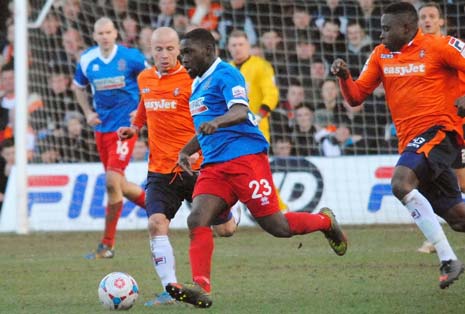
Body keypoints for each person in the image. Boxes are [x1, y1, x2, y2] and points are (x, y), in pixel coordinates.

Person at [165, 28, 347, 308]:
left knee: (278, 227)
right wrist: (187, 150)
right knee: (197, 219)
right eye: (181, 53)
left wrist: (218, 123)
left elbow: (240, 110)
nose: (182, 58)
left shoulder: (226, 74)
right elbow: (204, 126)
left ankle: (325, 222)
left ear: (209, 51)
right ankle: (201, 287)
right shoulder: (197, 84)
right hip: (214, 166)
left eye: (188, 52)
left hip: (246, 160)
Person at [331, 2, 465, 289]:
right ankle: (448, 256)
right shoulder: (381, 55)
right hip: (411, 142)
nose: (380, 35)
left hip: (441, 132)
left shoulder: (440, 46)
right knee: (457, 218)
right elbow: (356, 97)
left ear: (406, 28)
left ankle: (448, 258)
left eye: (386, 28)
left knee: (400, 183)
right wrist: (345, 78)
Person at [117, 27, 240, 306]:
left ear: (180, 50)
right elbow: (145, 104)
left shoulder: (193, 79)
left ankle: (234, 210)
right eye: (158, 49)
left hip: (197, 168)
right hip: (160, 170)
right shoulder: (145, 78)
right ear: (150, 49)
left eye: (171, 49)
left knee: (226, 230)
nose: (164, 54)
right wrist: (135, 128)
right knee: (156, 224)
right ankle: (170, 289)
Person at [73, 17, 147, 259]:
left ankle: (107, 245)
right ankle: (159, 211)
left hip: (125, 128)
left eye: (108, 32)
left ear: (116, 34)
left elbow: (151, 82)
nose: (105, 36)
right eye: (100, 33)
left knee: (112, 181)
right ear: (94, 36)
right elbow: (77, 87)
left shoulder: (132, 57)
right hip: (101, 129)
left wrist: (141, 110)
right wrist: (87, 113)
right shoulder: (87, 60)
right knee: (119, 185)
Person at [416, 1, 465, 255]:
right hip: (430, 129)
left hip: (456, 126)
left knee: (460, 183)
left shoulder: (451, 46)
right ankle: (435, 237)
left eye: (432, 16)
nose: (427, 20)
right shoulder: (415, 52)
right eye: (423, 16)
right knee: (427, 181)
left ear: (441, 21)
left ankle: (437, 238)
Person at [227, 29, 289, 212]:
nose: (237, 49)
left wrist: (260, 115)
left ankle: (280, 209)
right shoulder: (226, 69)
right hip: (231, 129)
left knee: (260, 170)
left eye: (241, 45)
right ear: (228, 47)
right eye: (233, 45)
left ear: (248, 46)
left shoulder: (261, 66)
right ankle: (231, 210)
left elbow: (272, 94)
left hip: (256, 129)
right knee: (230, 169)